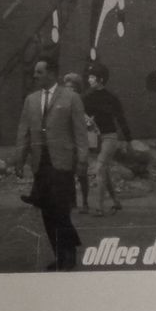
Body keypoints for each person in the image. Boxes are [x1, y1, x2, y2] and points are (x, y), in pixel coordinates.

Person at [13, 54, 87, 271]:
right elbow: (23, 131)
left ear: (52, 73)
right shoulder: (31, 99)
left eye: (39, 72)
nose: (35, 76)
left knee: (61, 210)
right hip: (40, 162)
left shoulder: (71, 97)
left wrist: (82, 159)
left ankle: (69, 255)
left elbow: (80, 132)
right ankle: (58, 254)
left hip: (62, 161)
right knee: (46, 211)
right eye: (35, 72)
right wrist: (19, 159)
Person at [82, 62, 131, 216]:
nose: (89, 80)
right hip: (94, 137)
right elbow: (80, 115)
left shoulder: (111, 98)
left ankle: (99, 207)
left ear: (101, 79)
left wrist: (129, 140)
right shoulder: (86, 97)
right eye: (89, 77)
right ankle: (116, 201)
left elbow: (121, 118)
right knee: (104, 170)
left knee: (99, 168)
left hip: (110, 137)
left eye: (92, 77)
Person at [62, 71, 92, 213]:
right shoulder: (62, 103)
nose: (69, 91)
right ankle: (72, 201)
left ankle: (85, 202)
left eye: (72, 88)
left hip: (80, 142)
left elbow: (88, 122)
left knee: (82, 174)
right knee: (68, 174)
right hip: (67, 143)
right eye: (67, 88)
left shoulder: (82, 102)